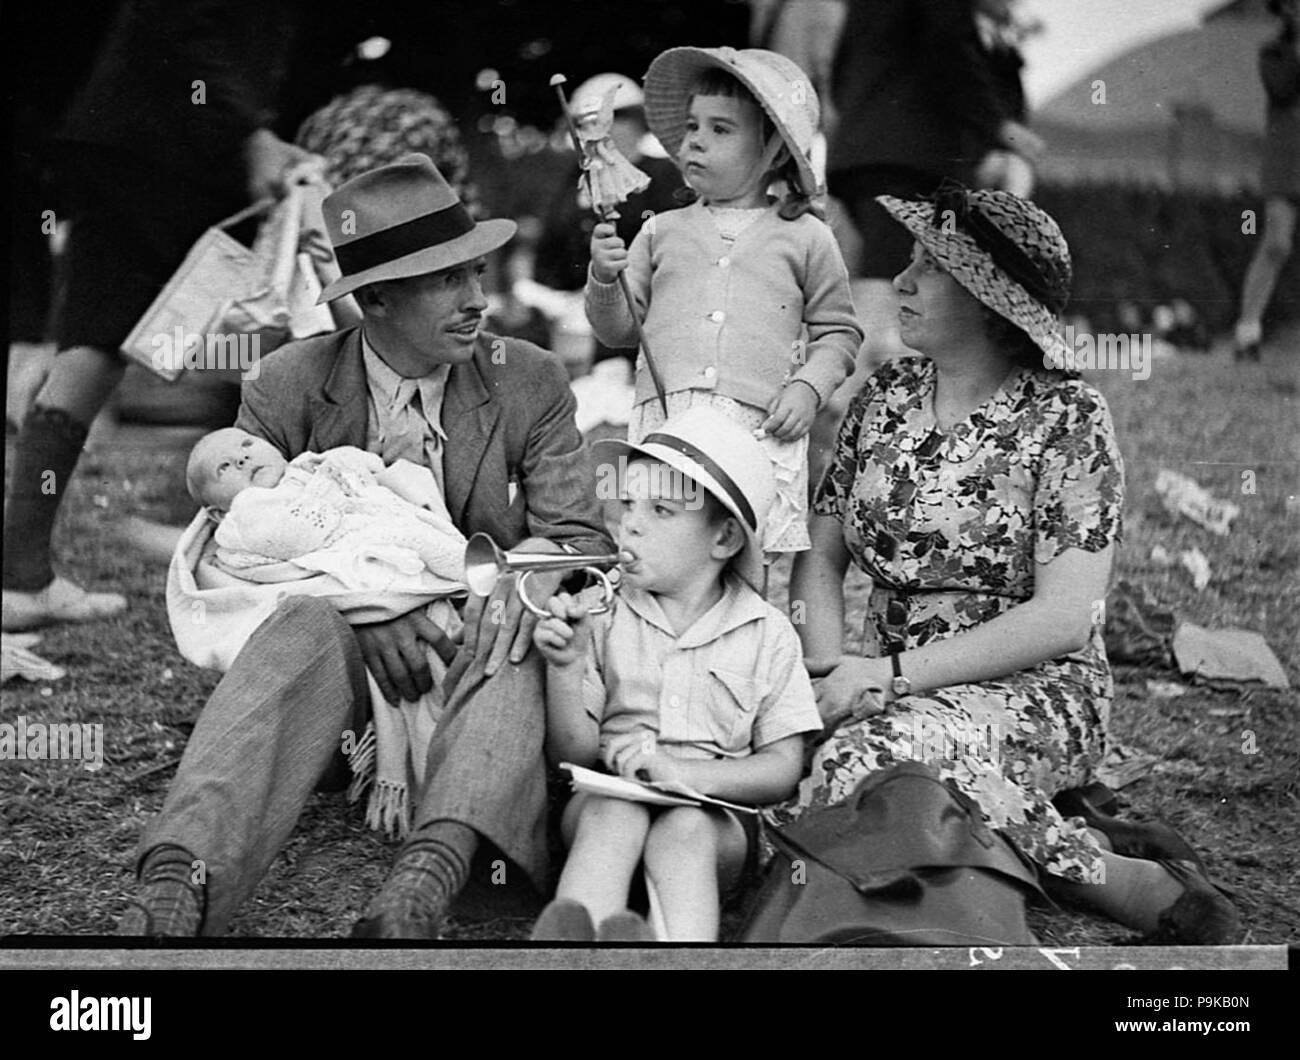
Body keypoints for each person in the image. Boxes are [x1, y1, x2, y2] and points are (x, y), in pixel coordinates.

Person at [118, 155, 612, 938]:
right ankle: (177, 889)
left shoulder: (528, 378)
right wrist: (367, 608)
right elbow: (229, 553)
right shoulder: (286, 382)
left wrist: (520, 593)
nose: (478, 300)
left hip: (475, 655)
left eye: (475, 272)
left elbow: (579, 542)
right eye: (446, 281)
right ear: (374, 298)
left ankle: (429, 879)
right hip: (342, 676)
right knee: (302, 624)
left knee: (508, 624)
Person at [781, 185, 1241, 944]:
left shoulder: (1068, 420)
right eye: (911, 260)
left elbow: (1066, 619)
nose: (901, 281)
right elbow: (821, 554)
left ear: (991, 302)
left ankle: (1102, 874)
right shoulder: (883, 397)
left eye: (930, 266)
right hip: (882, 680)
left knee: (870, 757)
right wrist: (830, 668)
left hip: (1029, 686)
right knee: (795, 746)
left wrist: (888, 678)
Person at [1, 0, 321, 632]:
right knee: (235, 331)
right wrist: (250, 134)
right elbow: (179, 25)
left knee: (97, 349)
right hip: (167, 145)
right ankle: (264, 544)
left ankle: (21, 576)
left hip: (139, 139)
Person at [530, 409, 822, 941]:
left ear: (725, 539)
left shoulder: (768, 633)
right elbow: (570, 754)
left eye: (661, 510)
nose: (631, 524)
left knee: (685, 828)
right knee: (612, 813)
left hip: (714, 822)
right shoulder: (601, 609)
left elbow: (783, 766)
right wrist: (567, 669)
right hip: (611, 797)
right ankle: (577, 939)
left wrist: (691, 778)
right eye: (628, 506)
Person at [585, 46, 862, 560]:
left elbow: (839, 332)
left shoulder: (807, 237)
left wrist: (807, 387)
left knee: (741, 550)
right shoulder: (657, 232)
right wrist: (604, 277)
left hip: (757, 424)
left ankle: (742, 637)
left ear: (773, 149)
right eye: (692, 126)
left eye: (720, 129)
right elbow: (619, 331)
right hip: (670, 417)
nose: (695, 140)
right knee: (664, 551)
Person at [186, 429, 465, 587]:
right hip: (345, 547)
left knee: (419, 528)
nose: (242, 457)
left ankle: (470, 571)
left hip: (367, 524)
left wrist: (350, 466)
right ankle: (474, 571)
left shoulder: (302, 466)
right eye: (223, 467)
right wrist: (325, 485)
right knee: (412, 538)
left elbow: (355, 462)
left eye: (247, 444)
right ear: (219, 514)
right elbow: (301, 532)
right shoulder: (249, 512)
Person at [1233, 0, 1299, 363]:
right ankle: (1248, 332)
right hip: (1287, 156)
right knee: (1277, 243)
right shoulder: (1274, 54)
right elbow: (1283, 91)